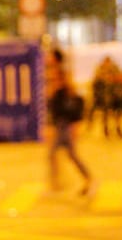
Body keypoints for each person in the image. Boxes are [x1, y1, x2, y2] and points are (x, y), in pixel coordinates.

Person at [46, 50, 91, 195]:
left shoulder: (62, 74)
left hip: (65, 125)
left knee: (67, 154)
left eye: (50, 56)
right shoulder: (53, 73)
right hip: (60, 124)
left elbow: (73, 100)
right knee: (61, 154)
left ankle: (86, 179)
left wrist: (75, 123)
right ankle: (57, 183)